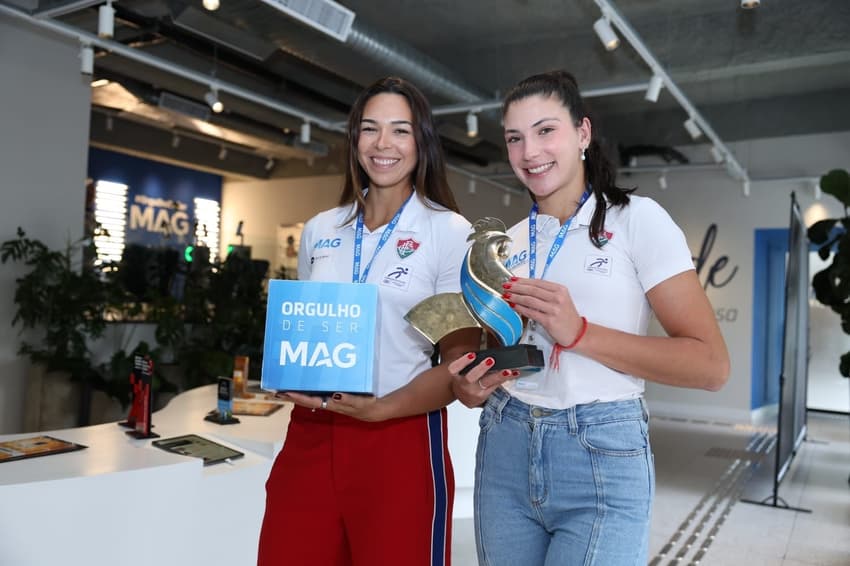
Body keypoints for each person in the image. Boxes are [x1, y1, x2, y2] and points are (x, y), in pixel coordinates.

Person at [448, 70, 730, 566]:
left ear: (582, 132)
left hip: (600, 449)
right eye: (515, 138)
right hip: (505, 445)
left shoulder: (636, 220)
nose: (530, 151)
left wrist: (578, 332)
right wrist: (475, 385)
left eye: (545, 130)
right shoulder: (507, 244)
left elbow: (710, 366)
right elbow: (502, 354)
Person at [257, 76, 480, 566]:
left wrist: (380, 411)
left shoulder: (446, 232)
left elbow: (457, 358)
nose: (384, 144)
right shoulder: (321, 230)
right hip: (311, 433)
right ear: (354, 139)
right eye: (370, 129)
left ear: (421, 142)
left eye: (400, 131)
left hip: (398, 437)